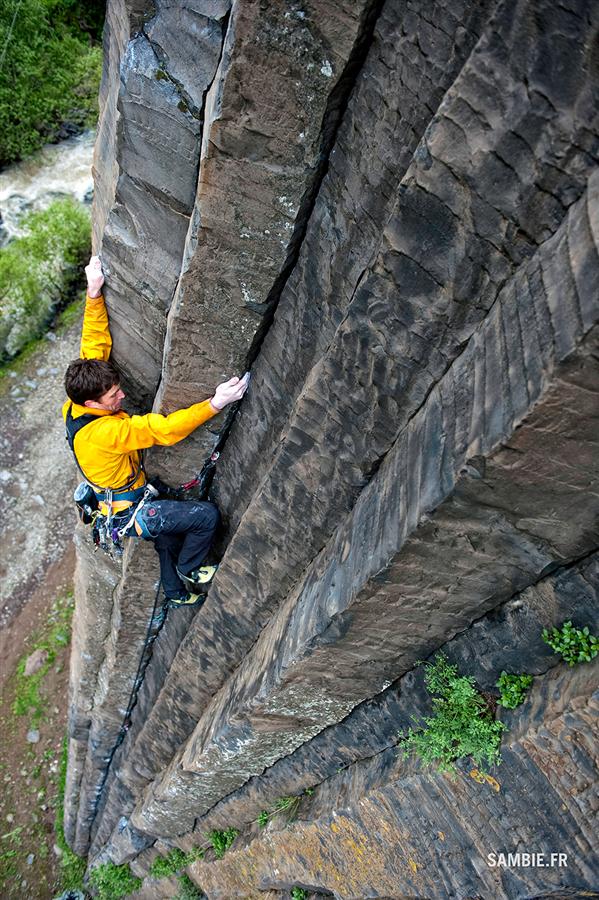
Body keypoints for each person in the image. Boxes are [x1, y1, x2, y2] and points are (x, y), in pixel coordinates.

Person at [63, 256, 249, 607]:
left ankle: (176, 593)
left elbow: (93, 345)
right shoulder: (105, 433)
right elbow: (163, 430)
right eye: (113, 395)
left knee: (167, 534)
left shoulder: (78, 400)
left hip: (122, 503)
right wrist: (215, 403)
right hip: (129, 508)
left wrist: (93, 293)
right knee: (204, 517)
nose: (121, 395)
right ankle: (190, 569)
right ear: (93, 405)